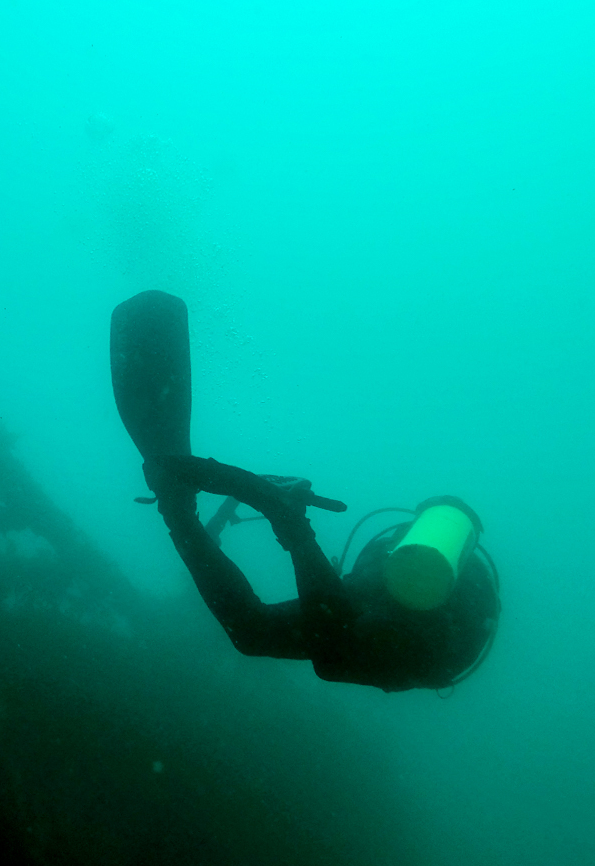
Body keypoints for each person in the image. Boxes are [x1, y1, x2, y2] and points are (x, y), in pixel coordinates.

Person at [111, 290, 500, 692]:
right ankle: (212, 512)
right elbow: (333, 646)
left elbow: (335, 638)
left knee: (269, 635)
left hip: (402, 628)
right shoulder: (463, 599)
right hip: (425, 646)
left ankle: (193, 510)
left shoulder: (406, 549)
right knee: (261, 637)